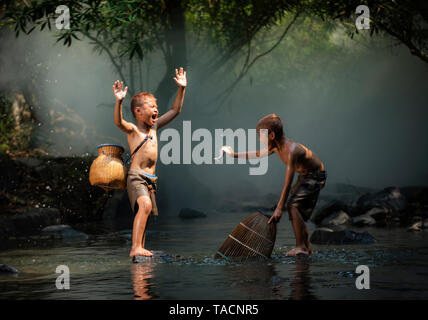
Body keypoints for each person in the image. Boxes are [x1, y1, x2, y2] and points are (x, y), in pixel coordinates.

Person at [221, 114, 326, 256]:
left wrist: (279, 208)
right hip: (305, 176)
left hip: (315, 175)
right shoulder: (276, 147)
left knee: (293, 206)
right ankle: (306, 246)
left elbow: (287, 183)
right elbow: (257, 154)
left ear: (271, 135)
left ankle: (301, 247)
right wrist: (233, 154)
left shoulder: (291, 151)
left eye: (260, 135)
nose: (259, 139)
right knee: (296, 210)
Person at [112, 67, 187, 257]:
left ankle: (141, 248)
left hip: (151, 179)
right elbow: (119, 122)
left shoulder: (154, 127)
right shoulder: (133, 130)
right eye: (151, 107)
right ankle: (135, 248)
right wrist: (119, 101)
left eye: (156, 107)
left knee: (144, 212)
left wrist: (182, 89)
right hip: (136, 177)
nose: (156, 109)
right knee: (144, 206)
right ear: (138, 111)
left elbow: (175, 109)